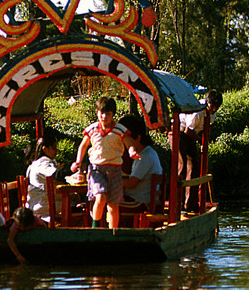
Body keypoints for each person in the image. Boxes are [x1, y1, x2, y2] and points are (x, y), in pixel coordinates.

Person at [71, 96, 140, 229]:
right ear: (97, 112)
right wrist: (78, 161)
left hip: (114, 169)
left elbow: (129, 144)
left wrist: (132, 152)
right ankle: (95, 227)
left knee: (113, 205)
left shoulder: (120, 130)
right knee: (101, 197)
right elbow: (83, 146)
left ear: (113, 114)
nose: (104, 117)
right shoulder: (92, 129)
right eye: (101, 113)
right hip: (97, 169)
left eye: (107, 114)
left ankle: (113, 232)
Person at [178, 89, 223, 212]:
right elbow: (188, 130)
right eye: (212, 106)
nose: (214, 109)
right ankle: (179, 204)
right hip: (179, 132)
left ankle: (190, 204)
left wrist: (206, 140)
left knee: (194, 168)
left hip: (192, 135)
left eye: (216, 107)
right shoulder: (197, 111)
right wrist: (201, 141)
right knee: (181, 167)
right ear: (207, 103)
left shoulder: (212, 112)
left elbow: (209, 126)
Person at [119, 115, 163, 216]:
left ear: (138, 138)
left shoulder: (144, 156)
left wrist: (112, 181)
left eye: (127, 139)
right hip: (137, 199)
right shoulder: (144, 153)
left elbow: (131, 183)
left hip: (140, 203)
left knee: (107, 204)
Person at [26, 133, 60, 223]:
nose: (56, 151)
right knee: (76, 202)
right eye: (53, 148)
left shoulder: (36, 163)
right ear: (45, 148)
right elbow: (54, 174)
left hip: (38, 202)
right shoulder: (43, 162)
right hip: (43, 205)